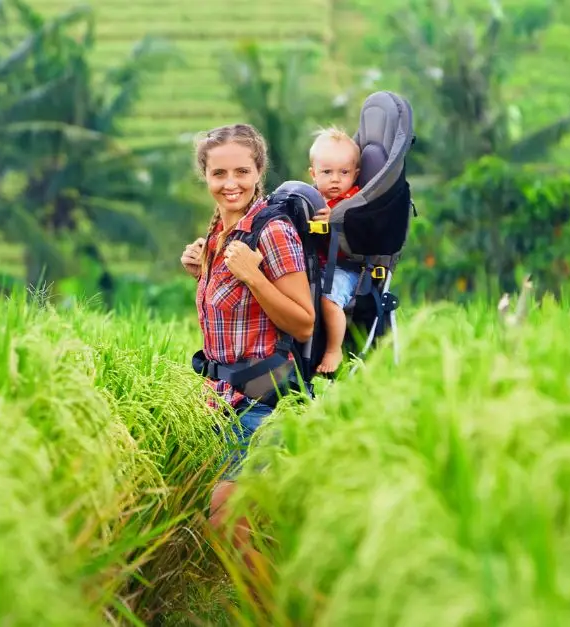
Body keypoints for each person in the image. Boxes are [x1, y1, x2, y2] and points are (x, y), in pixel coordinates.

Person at [178, 123, 315, 586]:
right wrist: (202, 271)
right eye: (219, 173)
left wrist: (255, 276)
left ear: (259, 172)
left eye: (242, 170)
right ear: (206, 176)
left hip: (264, 404)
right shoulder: (218, 230)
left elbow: (303, 321)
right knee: (231, 530)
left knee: (227, 526)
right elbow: (231, 318)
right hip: (219, 404)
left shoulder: (271, 231)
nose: (230, 182)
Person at [306, 126, 362, 374]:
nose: (335, 179)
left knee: (328, 300)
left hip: (347, 267)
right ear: (313, 174)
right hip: (317, 263)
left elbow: (363, 228)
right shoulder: (312, 198)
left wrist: (339, 217)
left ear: (356, 174)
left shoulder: (355, 201)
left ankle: (333, 349)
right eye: (327, 172)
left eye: (344, 172)